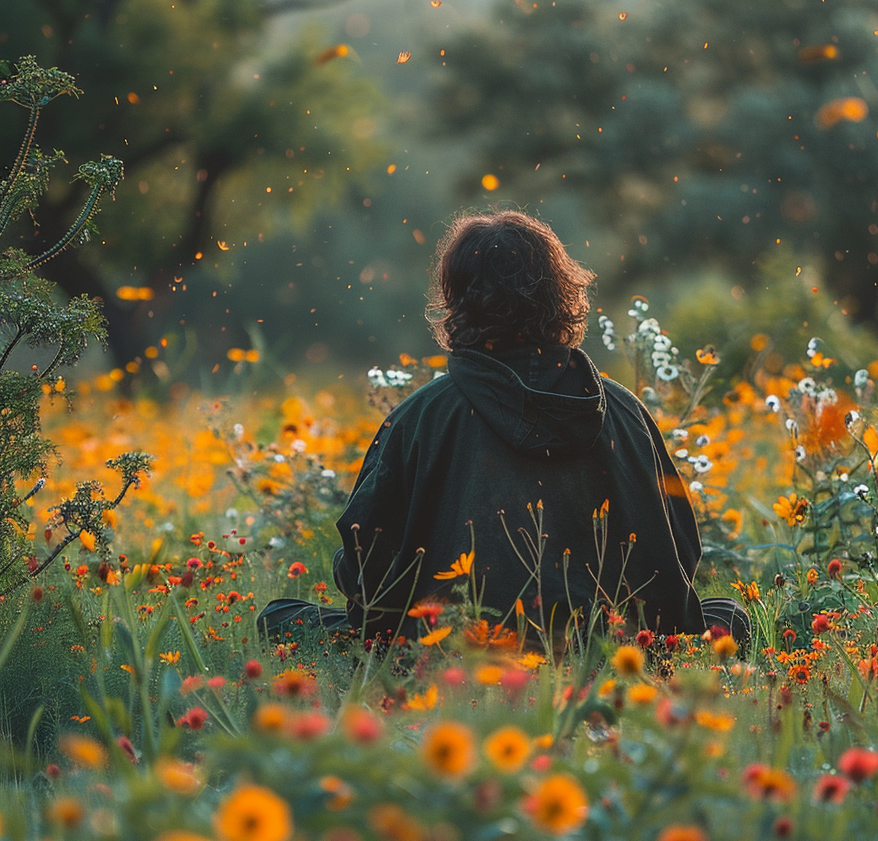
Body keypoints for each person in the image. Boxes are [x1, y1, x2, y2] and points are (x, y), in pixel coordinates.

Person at [317, 208, 747, 647]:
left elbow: (364, 570)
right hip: (612, 647)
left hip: (457, 649)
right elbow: (680, 553)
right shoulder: (624, 411)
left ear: (457, 299)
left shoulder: (420, 417)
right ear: (560, 294)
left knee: (285, 619)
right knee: (726, 616)